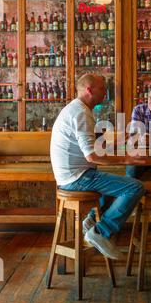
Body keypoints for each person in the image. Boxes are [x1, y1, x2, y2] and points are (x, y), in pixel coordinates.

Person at [50, 73, 145, 260]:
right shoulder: (81, 114)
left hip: (72, 176)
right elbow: (92, 156)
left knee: (116, 187)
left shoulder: (77, 109)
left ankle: (91, 220)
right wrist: (125, 160)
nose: (105, 93)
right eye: (102, 89)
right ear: (89, 90)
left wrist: (116, 142)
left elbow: (92, 146)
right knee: (135, 187)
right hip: (77, 178)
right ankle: (100, 232)